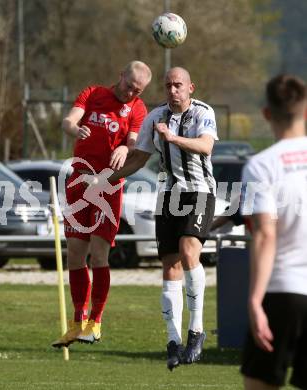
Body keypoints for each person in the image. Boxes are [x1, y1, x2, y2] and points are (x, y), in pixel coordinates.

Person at [101, 67, 218, 370]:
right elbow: (139, 158)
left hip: (199, 192)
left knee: (190, 250)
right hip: (168, 195)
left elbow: (205, 146)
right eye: (168, 86)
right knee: (169, 265)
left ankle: (197, 331)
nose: (172, 90)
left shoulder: (204, 112)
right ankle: (173, 341)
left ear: (191, 87)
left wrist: (173, 137)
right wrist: (107, 180)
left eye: (178, 85)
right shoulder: (155, 117)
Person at [52, 61, 152, 348]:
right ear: (120, 75)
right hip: (78, 181)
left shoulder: (137, 109)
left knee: (99, 255)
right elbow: (69, 121)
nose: (130, 92)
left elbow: (133, 140)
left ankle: (95, 323)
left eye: (137, 89)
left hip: (108, 184)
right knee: (74, 255)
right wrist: (74, 129)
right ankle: (76, 322)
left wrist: (124, 146)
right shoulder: (93, 93)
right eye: (128, 85)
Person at [240, 74, 307, 389]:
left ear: (267, 113)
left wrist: (255, 300)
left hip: (283, 292)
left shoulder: (260, 166)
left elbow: (265, 234)